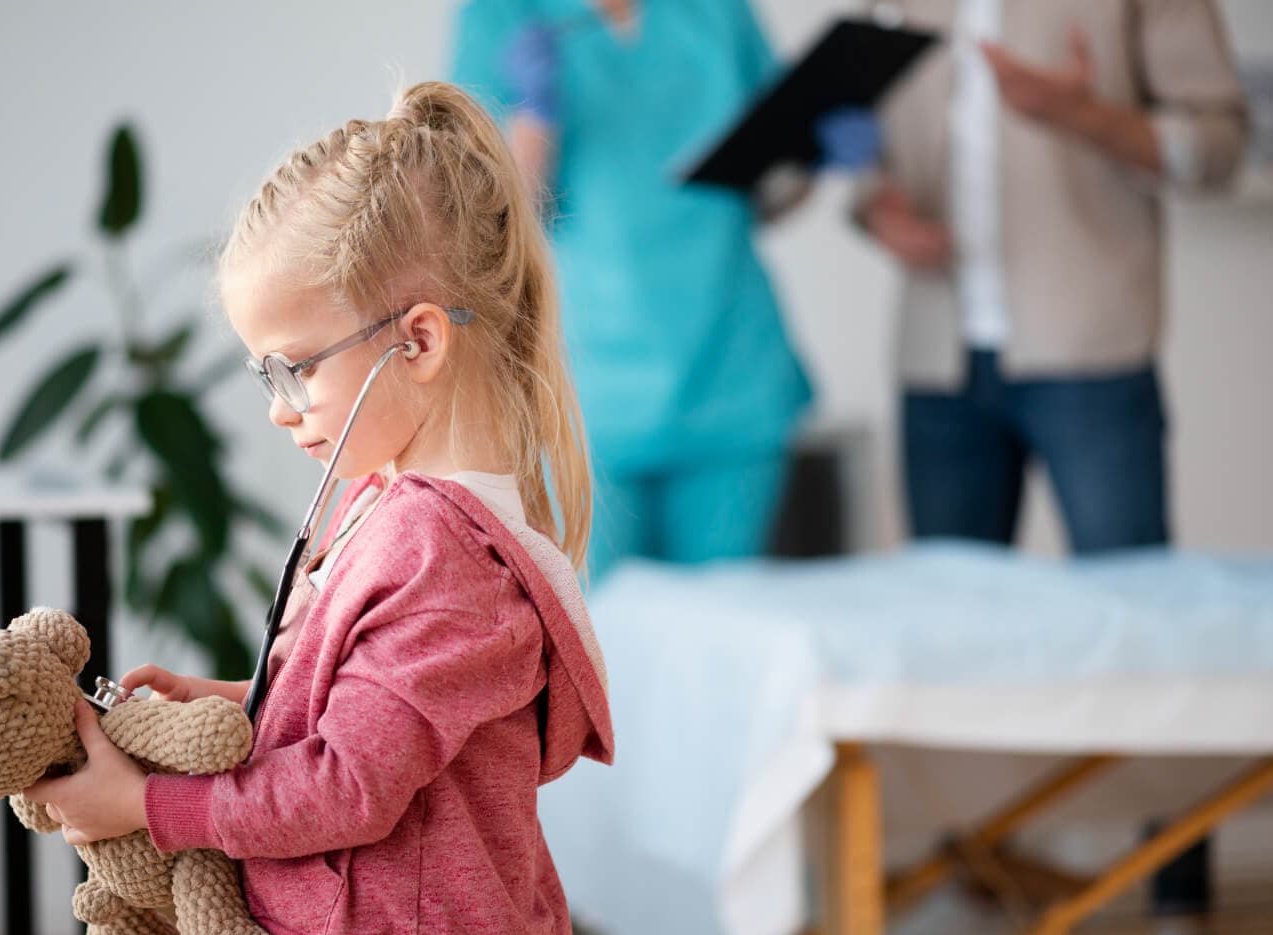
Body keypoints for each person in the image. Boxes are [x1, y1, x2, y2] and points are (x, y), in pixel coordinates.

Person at [24, 81, 614, 935]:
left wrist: (146, 805)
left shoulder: (440, 553)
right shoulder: (390, 503)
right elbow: (362, 713)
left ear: (417, 342)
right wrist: (238, 698)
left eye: (294, 369)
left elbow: (345, 787)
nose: (277, 408)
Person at [451, 0, 861, 577]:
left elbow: (768, 193)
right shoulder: (502, 16)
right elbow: (487, 227)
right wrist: (533, 119)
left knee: (724, 628)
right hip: (588, 388)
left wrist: (811, 152)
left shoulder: (717, 12)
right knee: (599, 640)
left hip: (730, 368)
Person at [856, 0, 1247, 552]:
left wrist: (1088, 118)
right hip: (935, 358)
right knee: (949, 617)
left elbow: (1222, 146)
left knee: (1132, 601)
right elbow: (858, 126)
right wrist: (876, 210)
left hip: (1089, 347)